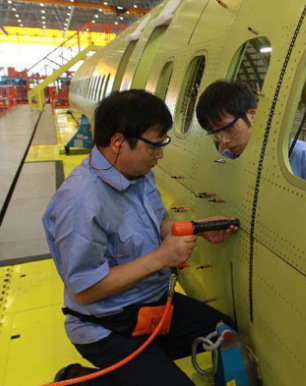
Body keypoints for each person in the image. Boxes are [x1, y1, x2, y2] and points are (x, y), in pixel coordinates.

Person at [43, 90, 237, 385]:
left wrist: (194, 228)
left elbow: (158, 223)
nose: (159, 155)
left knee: (223, 332)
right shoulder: (81, 202)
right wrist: (161, 258)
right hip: (109, 326)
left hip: (152, 305)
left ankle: (141, 368)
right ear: (118, 142)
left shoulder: (138, 173)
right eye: (154, 146)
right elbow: (85, 290)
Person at [196, 80, 306, 184]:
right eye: (217, 134)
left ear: (252, 115)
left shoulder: (298, 155)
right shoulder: (226, 159)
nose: (224, 141)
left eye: (228, 128)